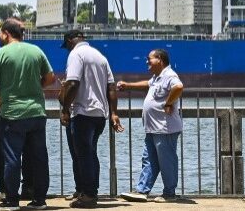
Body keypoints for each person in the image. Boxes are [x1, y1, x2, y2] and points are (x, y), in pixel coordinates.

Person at [0, 18, 55, 211]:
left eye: (0, 33)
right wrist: (35, 87)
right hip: (36, 113)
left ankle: (12, 200)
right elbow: (50, 78)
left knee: (12, 158)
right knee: (40, 157)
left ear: (7, 33)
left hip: (12, 114)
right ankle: (39, 200)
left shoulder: (0, 54)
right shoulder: (36, 51)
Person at [58, 29, 123, 209]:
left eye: (67, 46)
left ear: (70, 41)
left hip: (82, 112)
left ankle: (88, 195)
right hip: (99, 115)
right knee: (89, 154)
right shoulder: (100, 56)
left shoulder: (76, 55)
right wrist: (113, 113)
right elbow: (111, 87)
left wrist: (64, 109)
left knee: (83, 155)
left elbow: (73, 83)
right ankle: (85, 190)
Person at [118, 49, 184, 203]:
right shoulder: (157, 77)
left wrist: (168, 103)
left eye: (149, 59)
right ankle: (142, 191)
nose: (147, 62)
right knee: (149, 159)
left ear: (159, 59)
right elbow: (147, 85)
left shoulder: (169, 75)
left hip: (165, 128)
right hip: (153, 128)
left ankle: (170, 193)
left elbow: (179, 87)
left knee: (167, 161)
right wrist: (128, 85)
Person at [0, 38, 34, 201]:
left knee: (28, 149)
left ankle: (28, 187)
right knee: (5, 149)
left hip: (25, 108)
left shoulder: (29, 50)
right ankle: (6, 189)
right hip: (5, 108)